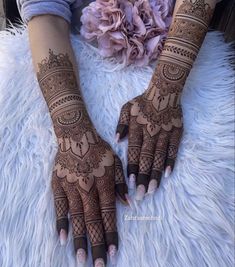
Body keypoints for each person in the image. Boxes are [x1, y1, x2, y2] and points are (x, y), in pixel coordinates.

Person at [15, 0, 218, 266]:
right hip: (75, 57)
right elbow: (46, 16)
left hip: (185, 57)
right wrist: (74, 134)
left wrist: (165, 89)